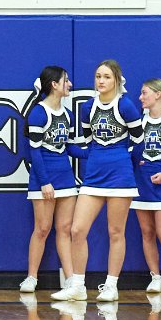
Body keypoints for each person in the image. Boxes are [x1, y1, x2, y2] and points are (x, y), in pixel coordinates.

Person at [53, 60, 142, 303]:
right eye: (98, 76)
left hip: (120, 176)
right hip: (93, 177)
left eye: (106, 77)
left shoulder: (125, 105)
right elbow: (89, 143)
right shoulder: (88, 107)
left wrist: (127, 165)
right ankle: (77, 286)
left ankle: (111, 286)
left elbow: (139, 141)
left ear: (117, 80)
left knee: (116, 231)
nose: (101, 81)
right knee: (77, 229)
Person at [20, 66, 83, 294]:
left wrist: (96, 153)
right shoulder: (39, 113)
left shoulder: (68, 115)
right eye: (66, 80)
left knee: (65, 229)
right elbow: (34, 152)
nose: (70, 84)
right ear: (54, 84)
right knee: (42, 229)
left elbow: (70, 148)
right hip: (43, 179)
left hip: (65, 178)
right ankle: (31, 277)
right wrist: (45, 182)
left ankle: (70, 279)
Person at [132, 78, 161, 294]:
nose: (140, 97)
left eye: (144, 93)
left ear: (158, 94)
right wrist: (137, 160)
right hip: (142, 182)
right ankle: (156, 278)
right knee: (147, 232)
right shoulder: (140, 121)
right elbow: (132, 150)